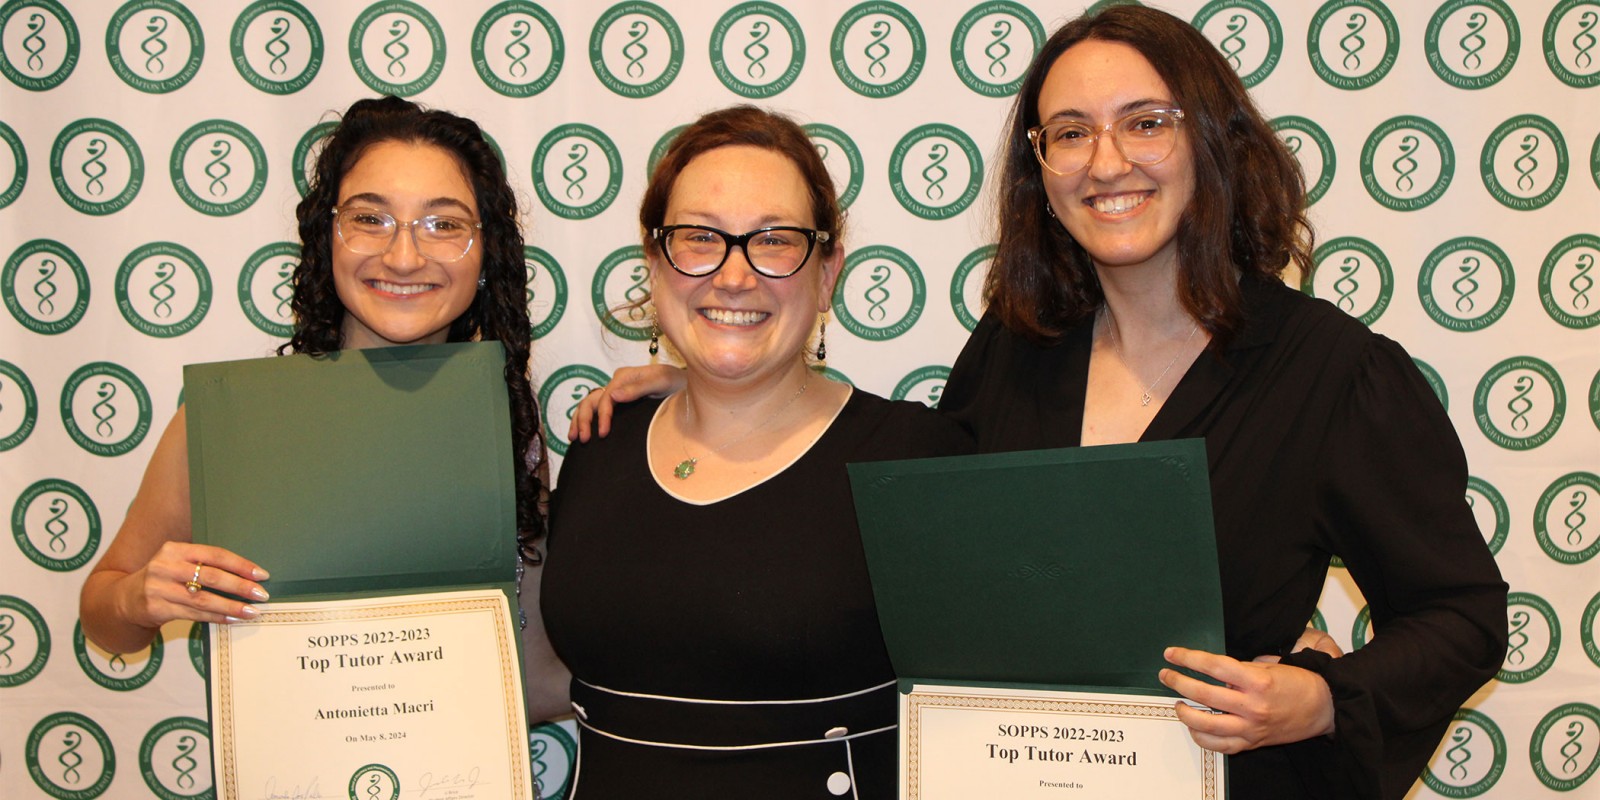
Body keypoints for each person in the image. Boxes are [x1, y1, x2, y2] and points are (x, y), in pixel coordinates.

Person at [569, 8, 1507, 799]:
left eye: (1147, 122)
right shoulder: (1019, 350)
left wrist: (1322, 698)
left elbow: (1462, 615)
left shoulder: (1332, 373)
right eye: (1069, 132)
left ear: (1213, 139)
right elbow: (932, 539)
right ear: (1041, 170)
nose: (1106, 162)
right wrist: (712, 380)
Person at [78, 95, 569, 721]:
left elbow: (532, 668)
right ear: (325, 236)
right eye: (371, 218)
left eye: (443, 224)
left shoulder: (505, 421)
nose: (404, 257)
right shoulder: (233, 423)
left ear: (484, 254)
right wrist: (138, 599)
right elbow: (107, 621)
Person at [538, 105, 972, 798]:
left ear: (828, 272)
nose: (734, 276)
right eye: (699, 237)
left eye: (773, 240)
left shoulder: (914, 462)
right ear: (655, 264)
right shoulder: (600, 446)